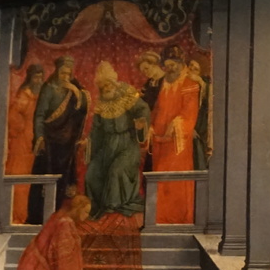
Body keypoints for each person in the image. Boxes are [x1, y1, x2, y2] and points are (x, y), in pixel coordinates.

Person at [85, 62, 151, 219]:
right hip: (107, 147)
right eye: (103, 86)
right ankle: (96, 206)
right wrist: (89, 146)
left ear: (114, 83)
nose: (106, 88)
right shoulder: (101, 105)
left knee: (116, 171)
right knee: (92, 173)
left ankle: (112, 208)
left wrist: (141, 121)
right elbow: (96, 131)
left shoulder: (127, 95)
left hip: (127, 145)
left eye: (108, 84)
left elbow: (143, 109)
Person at [30, 56, 89, 221]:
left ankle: (59, 214)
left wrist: (75, 91)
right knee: (47, 176)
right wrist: (40, 137)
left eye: (68, 74)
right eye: (63, 73)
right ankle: (41, 216)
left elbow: (84, 106)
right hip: (50, 142)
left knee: (64, 180)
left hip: (67, 143)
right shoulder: (49, 88)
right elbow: (40, 115)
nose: (65, 77)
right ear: (57, 72)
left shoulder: (73, 87)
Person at [149, 46, 201, 223]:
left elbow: (190, 112)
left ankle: (177, 218)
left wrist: (177, 123)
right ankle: (160, 218)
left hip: (178, 142)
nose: (170, 68)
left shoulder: (190, 85)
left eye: (174, 65)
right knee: (159, 179)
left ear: (181, 64)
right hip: (160, 141)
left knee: (175, 179)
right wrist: (150, 126)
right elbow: (156, 109)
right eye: (167, 65)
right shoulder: (161, 84)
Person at [6, 64, 44, 224]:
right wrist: (20, 129)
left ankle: (32, 215)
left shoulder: (42, 95)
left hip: (37, 138)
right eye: (36, 77)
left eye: (41, 77)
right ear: (30, 78)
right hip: (23, 140)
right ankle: (19, 215)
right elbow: (13, 115)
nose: (39, 81)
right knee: (21, 176)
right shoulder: (24, 94)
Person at [188, 59, 212, 171]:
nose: (192, 70)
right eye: (191, 66)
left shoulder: (202, 85)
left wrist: (201, 82)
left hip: (198, 127)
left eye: (196, 69)